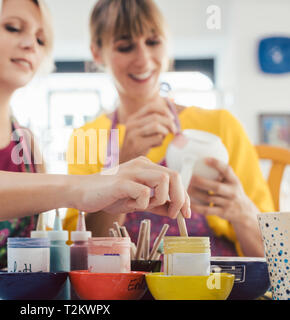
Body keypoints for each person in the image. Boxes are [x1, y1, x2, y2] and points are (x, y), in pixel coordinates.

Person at [0, 0, 190, 282]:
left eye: (41, 39)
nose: (29, 44)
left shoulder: (28, 146)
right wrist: (85, 186)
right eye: (13, 27)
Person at [63, 0, 274, 258]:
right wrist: (121, 167)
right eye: (125, 46)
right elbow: (81, 255)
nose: (143, 60)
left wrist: (241, 212)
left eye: (153, 42)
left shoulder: (219, 126)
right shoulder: (87, 139)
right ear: (97, 52)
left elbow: (274, 257)